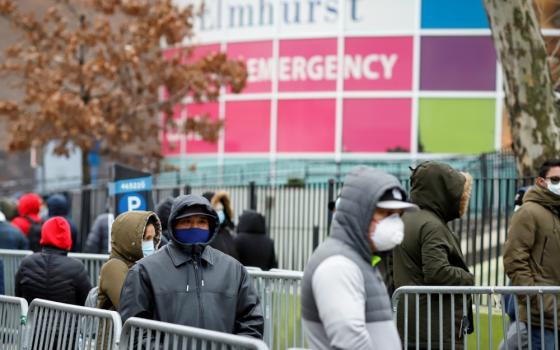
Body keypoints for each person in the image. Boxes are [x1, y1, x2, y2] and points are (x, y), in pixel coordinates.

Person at [301, 166, 418, 350]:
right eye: (386, 213)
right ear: (360, 213)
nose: (395, 222)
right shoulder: (338, 265)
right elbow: (350, 342)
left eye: (398, 215)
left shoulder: (361, 260)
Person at [119, 194, 264, 339]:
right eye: (186, 221)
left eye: (201, 221)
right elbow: (135, 333)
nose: (194, 227)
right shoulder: (144, 272)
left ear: (211, 225)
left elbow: (251, 323)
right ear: (173, 225)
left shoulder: (234, 270)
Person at [392, 161, 474, 349]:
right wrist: (468, 278)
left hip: (410, 326)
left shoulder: (406, 219)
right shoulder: (432, 226)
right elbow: (437, 272)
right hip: (434, 330)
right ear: (442, 192)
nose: (462, 197)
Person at [503, 159, 560, 349]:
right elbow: (514, 261)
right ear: (541, 181)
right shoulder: (528, 212)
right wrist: (537, 299)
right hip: (541, 317)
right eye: (556, 179)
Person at [15, 217, 92, 305]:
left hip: (32, 318)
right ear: (67, 238)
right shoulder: (77, 268)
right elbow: (87, 301)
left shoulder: (26, 263)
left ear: (44, 234)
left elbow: (19, 297)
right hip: (66, 318)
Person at [97, 211, 161, 310]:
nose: (151, 245)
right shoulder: (114, 267)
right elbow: (132, 308)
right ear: (131, 240)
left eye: (153, 239)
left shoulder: (142, 265)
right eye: (147, 239)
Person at [202, 191, 239, 259]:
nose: (220, 212)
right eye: (217, 209)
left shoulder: (227, 231)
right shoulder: (204, 235)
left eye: (221, 209)